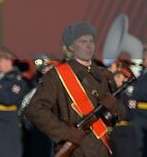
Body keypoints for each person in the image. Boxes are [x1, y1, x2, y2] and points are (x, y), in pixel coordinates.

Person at [23, 22, 127, 157]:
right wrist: (65, 133)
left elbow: (124, 115)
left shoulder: (104, 75)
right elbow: (34, 110)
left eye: (91, 41)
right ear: (71, 46)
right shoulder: (56, 76)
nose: (89, 45)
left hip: (103, 149)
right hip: (76, 151)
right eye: (83, 41)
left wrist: (114, 107)